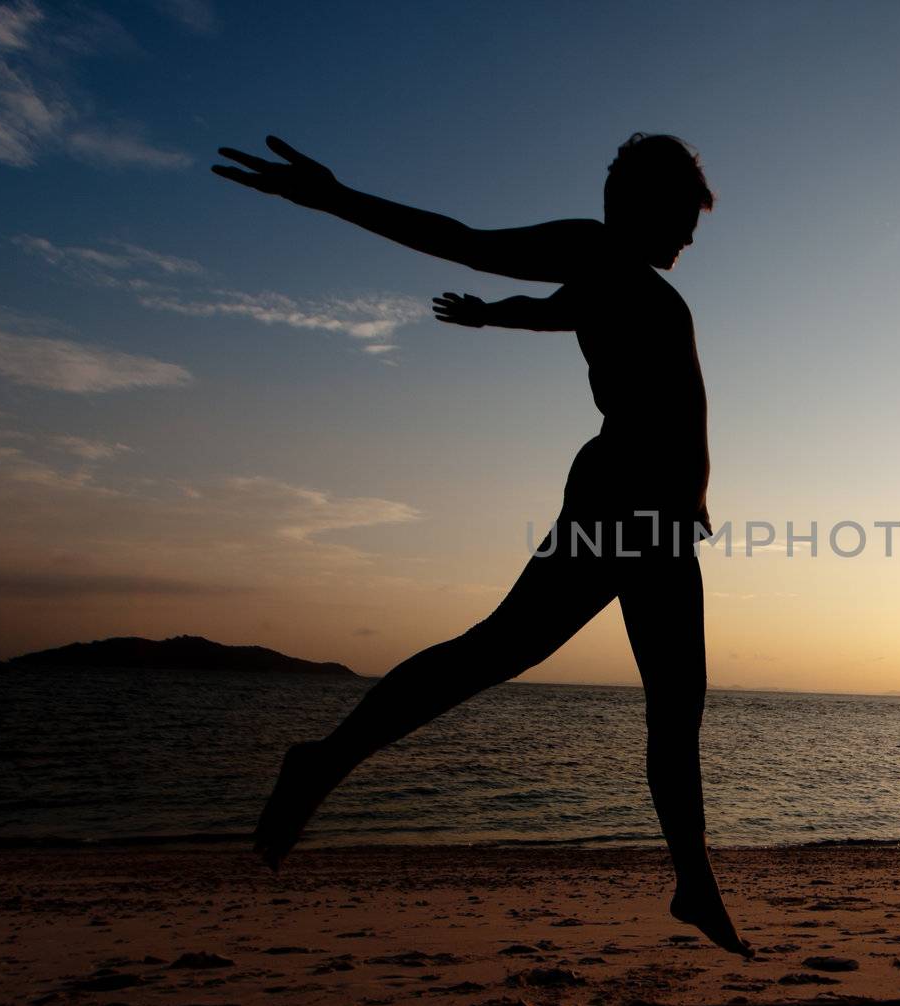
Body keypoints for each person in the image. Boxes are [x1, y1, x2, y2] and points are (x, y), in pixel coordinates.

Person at [211, 133, 751, 958]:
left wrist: (495, 316)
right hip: (622, 504)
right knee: (496, 651)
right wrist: (335, 196)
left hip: (665, 523)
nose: (691, 236)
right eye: (683, 215)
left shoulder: (617, 280)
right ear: (643, 204)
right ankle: (321, 761)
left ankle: (694, 881)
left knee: (676, 709)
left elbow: (556, 310)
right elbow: (463, 238)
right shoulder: (595, 248)